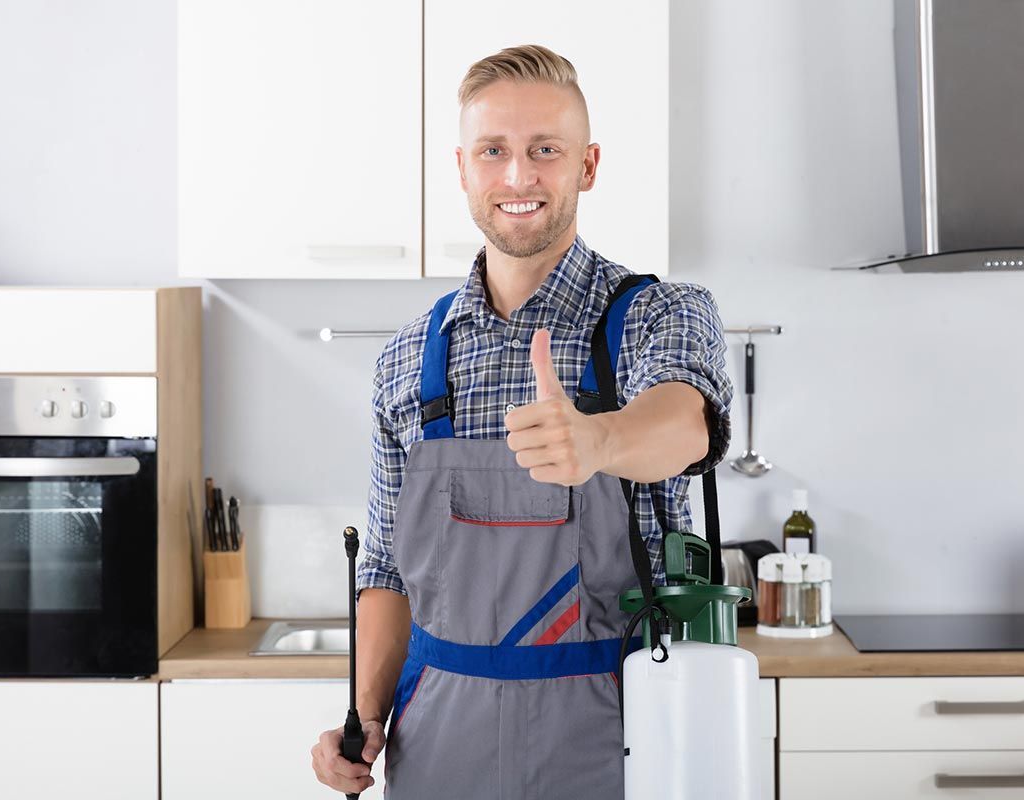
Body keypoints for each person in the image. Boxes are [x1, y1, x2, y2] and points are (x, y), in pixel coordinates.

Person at [311, 44, 732, 798]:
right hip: (440, 744)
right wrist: (366, 715)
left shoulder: (657, 316)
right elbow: (386, 571)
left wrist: (600, 438)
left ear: (588, 165)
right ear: (463, 168)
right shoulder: (407, 359)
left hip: (620, 742)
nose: (517, 177)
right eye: (493, 151)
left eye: (545, 150)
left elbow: (686, 424)